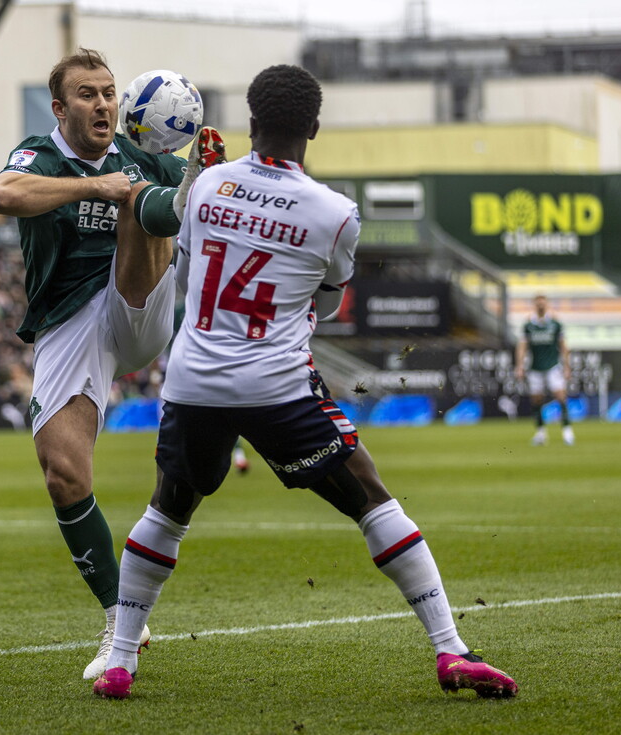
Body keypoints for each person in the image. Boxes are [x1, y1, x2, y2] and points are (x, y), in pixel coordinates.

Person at [92, 64, 518, 701]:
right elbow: (330, 301)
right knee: (372, 498)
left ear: (252, 122)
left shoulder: (206, 186)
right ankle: (450, 649)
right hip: (277, 386)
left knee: (168, 509)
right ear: (314, 128)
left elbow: (164, 222)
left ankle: (121, 659)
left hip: (194, 381)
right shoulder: (337, 215)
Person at [0, 48, 226, 680]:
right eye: (88, 95)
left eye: (110, 93)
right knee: (63, 474)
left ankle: (179, 195)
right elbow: (6, 195)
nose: (103, 104)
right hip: (71, 321)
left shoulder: (138, 159)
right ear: (60, 108)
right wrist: (97, 183)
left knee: (140, 200)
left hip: (138, 304)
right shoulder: (37, 156)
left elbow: (152, 209)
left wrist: (191, 183)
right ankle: (123, 621)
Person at [515, 294, 573, 445]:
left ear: (546, 305)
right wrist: (519, 366)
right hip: (535, 368)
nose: (540, 305)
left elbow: (563, 346)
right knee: (536, 401)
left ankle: (567, 431)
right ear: (535, 305)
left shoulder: (555, 324)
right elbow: (522, 347)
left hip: (553, 366)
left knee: (561, 397)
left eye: (543, 303)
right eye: (538, 303)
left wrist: (567, 366)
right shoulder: (528, 325)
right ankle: (541, 433)